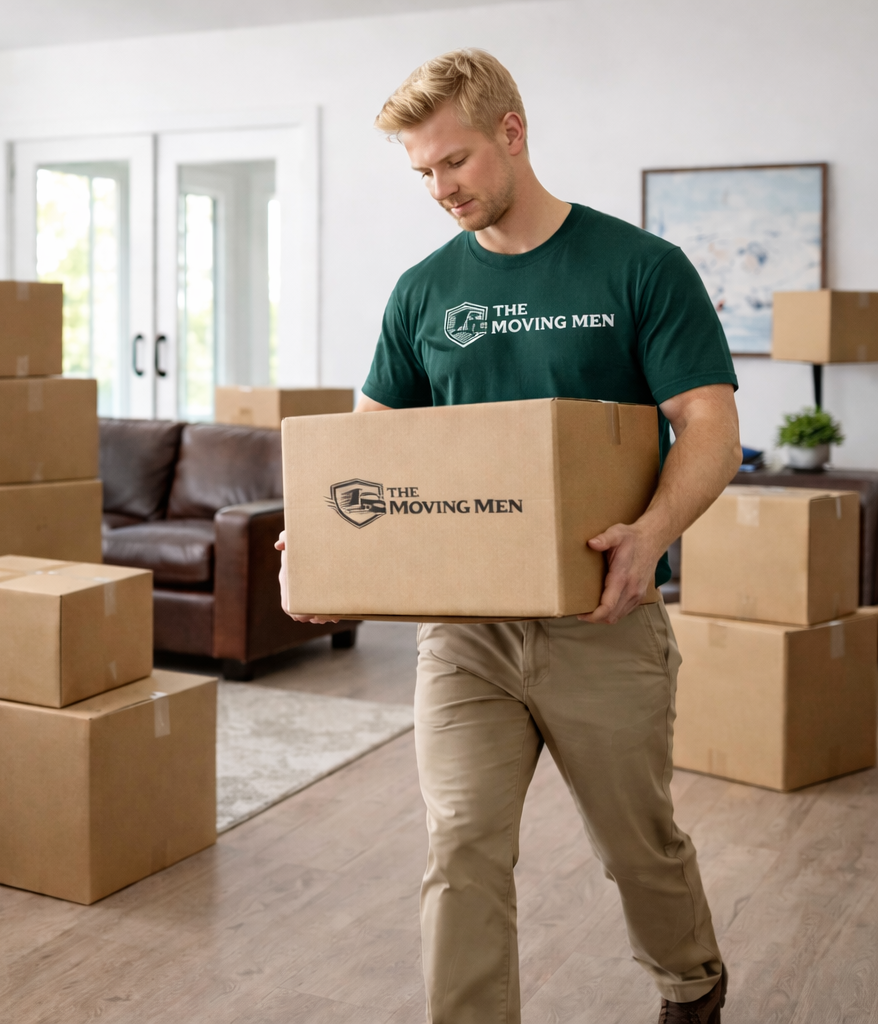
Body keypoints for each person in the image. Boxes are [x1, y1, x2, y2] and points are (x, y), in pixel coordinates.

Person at [279, 50, 740, 1023]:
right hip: (465, 633)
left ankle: (691, 980)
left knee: (637, 845)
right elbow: (370, 449)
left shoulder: (639, 268)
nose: (440, 189)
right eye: (423, 173)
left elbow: (710, 425)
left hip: (603, 619)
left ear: (513, 133)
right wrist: (322, 547)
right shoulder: (423, 292)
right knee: (462, 843)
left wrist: (652, 533)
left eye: (454, 162)